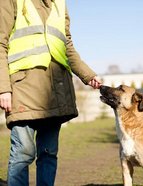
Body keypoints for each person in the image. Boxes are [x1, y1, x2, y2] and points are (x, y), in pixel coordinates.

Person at [0, 0, 102, 185]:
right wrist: (3, 88)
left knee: (48, 154)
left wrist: (88, 75)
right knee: (23, 153)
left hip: (55, 92)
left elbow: (67, 45)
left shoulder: (59, 4)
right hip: (23, 90)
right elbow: (0, 44)